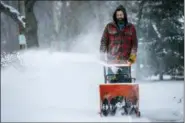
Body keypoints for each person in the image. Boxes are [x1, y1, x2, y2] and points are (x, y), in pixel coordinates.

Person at [100, 5, 138, 83]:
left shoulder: (131, 27)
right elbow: (103, 42)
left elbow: (134, 45)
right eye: (118, 15)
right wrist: (102, 55)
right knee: (112, 84)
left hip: (125, 62)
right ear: (115, 16)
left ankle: (124, 95)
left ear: (124, 15)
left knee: (125, 84)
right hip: (112, 61)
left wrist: (132, 58)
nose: (119, 17)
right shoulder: (109, 27)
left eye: (121, 15)